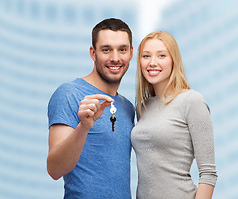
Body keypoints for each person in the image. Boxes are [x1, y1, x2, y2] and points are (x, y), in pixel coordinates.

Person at [47, 18, 135, 199]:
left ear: (131, 53)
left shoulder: (128, 107)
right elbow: (55, 169)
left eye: (122, 49)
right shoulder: (69, 93)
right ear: (93, 53)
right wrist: (84, 126)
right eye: (106, 49)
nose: (115, 58)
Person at [131, 31, 217, 199]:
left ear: (173, 60)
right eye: (146, 56)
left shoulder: (192, 101)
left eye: (161, 55)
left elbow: (208, 173)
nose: (152, 63)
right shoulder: (143, 107)